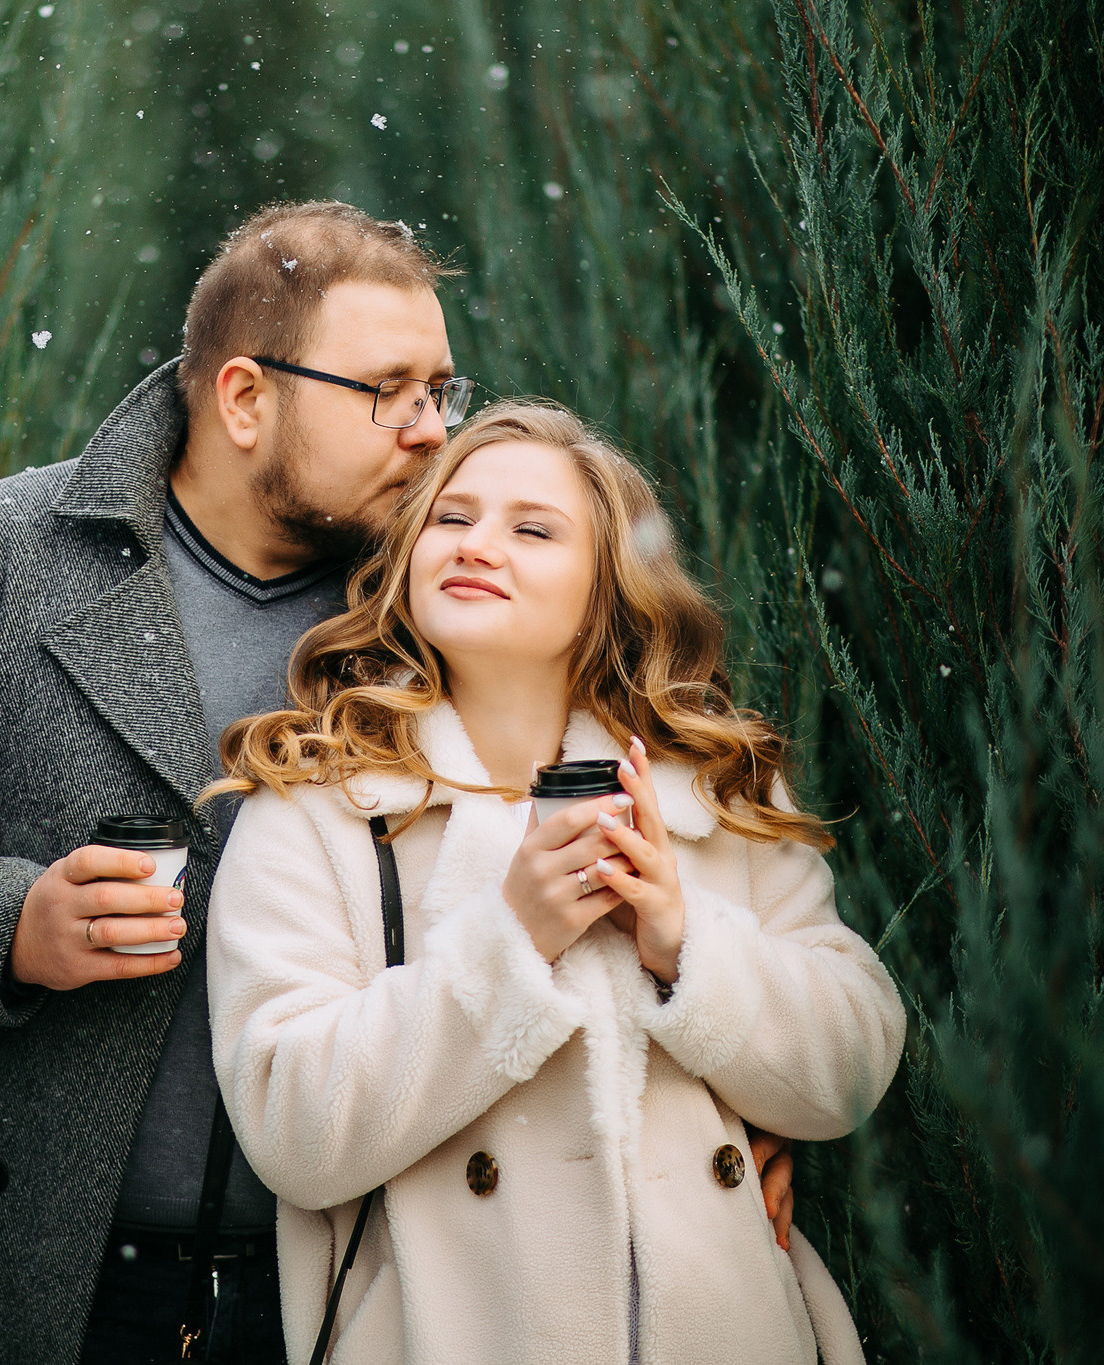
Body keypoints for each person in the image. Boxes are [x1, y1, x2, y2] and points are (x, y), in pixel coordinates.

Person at [0, 201, 798, 1365]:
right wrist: (7, 923)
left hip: (350, 1280)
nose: (426, 431)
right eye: (388, 391)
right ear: (246, 398)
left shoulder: (428, 600)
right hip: (32, 1255)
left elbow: (570, 863)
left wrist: (698, 1125)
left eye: (440, 392)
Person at [204, 400, 904, 1364]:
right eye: (450, 518)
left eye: (533, 528)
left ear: (608, 585)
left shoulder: (710, 789)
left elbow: (855, 1066)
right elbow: (289, 1125)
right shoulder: (321, 805)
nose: (477, 543)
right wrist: (508, 943)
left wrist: (680, 939)